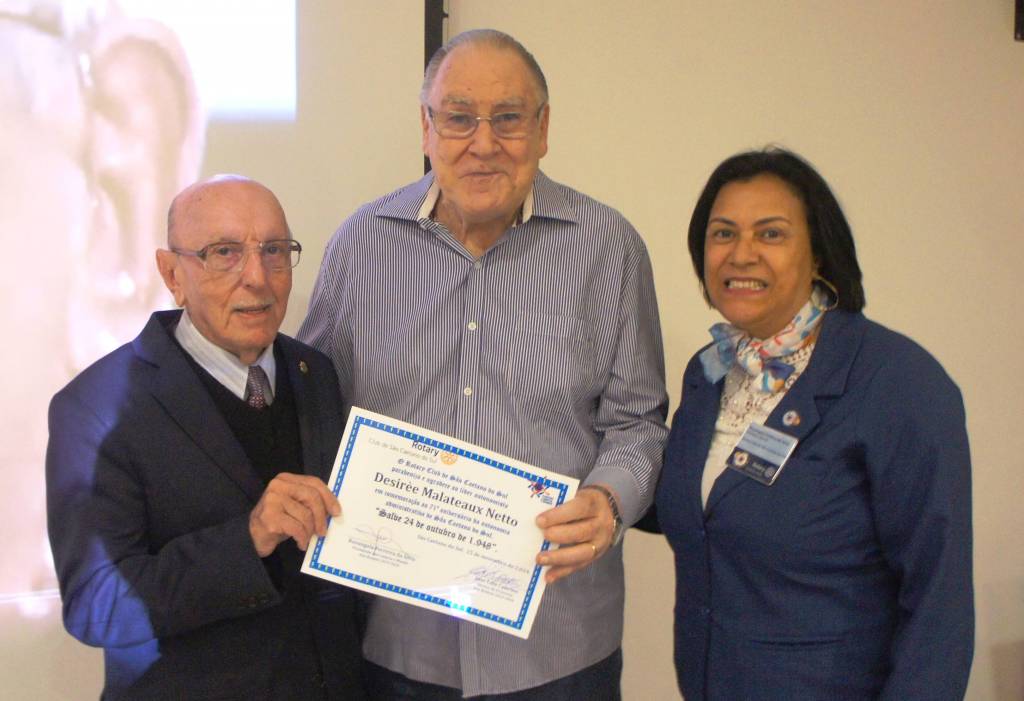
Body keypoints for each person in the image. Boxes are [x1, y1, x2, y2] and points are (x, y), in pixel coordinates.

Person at [299, 28, 668, 700]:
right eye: (459, 117)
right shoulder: (359, 247)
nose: (484, 142)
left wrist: (610, 501)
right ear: (426, 127)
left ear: (543, 128)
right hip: (400, 644)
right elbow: (314, 412)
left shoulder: (609, 248)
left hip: (559, 647)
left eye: (508, 118)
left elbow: (639, 421)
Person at [650, 148, 973, 699]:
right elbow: (697, 507)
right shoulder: (710, 372)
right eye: (723, 234)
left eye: (771, 234)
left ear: (819, 253)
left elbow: (938, 605)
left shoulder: (899, 381)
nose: (741, 254)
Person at [46, 176, 366, 700]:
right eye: (224, 253)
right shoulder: (96, 406)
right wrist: (248, 539)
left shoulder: (315, 372)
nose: (257, 277)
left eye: (274, 251)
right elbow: (96, 605)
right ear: (172, 274)